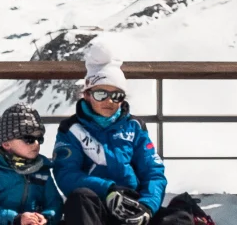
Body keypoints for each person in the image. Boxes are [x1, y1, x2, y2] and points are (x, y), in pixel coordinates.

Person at [54, 45, 167, 225]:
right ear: (87, 94)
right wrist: (107, 190)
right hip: (94, 206)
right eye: (101, 94)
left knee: (180, 213)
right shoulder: (71, 129)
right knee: (80, 198)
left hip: (133, 204)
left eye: (117, 95)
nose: (109, 101)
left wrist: (147, 206)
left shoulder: (135, 127)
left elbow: (154, 173)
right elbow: (66, 175)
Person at [0, 104, 62, 225]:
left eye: (39, 138)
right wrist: (15, 218)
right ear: (6, 144)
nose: (36, 144)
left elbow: (54, 202)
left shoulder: (42, 169)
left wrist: (46, 217)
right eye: (29, 139)